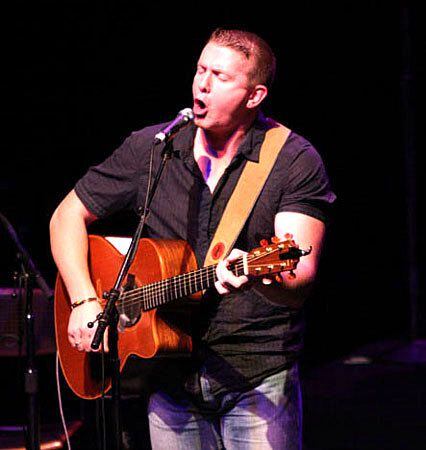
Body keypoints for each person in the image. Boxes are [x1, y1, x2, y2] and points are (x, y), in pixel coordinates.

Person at [50, 28, 335, 450]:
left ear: (254, 97)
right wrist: (84, 299)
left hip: (253, 376)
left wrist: (258, 274)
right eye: (201, 69)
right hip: (166, 377)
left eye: (219, 76)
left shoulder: (292, 161)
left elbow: (300, 276)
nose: (202, 84)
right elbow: (67, 214)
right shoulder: (154, 147)